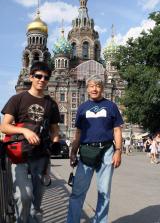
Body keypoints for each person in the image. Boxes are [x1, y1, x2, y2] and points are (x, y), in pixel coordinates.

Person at [0, 61, 60, 223]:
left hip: (41, 158)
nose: (42, 80)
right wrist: (24, 130)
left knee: (36, 202)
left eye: (46, 77)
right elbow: (4, 126)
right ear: (31, 77)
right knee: (24, 196)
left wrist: (56, 142)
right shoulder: (18, 99)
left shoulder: (51, 104)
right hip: (19, 155)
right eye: (38, 76)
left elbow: (54, 128)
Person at [67, 75, 124, 223]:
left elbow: (117, 130)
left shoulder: (111, 106)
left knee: (104, 192)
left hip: (106, 151)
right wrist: (73, 152)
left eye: (98, 86)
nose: (94, 89)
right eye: (91, 86)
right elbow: (78, 133)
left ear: (102, 88)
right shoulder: (82, 108)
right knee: (78, 191)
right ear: (87, 89)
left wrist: (118, 151)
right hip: (86, 151)